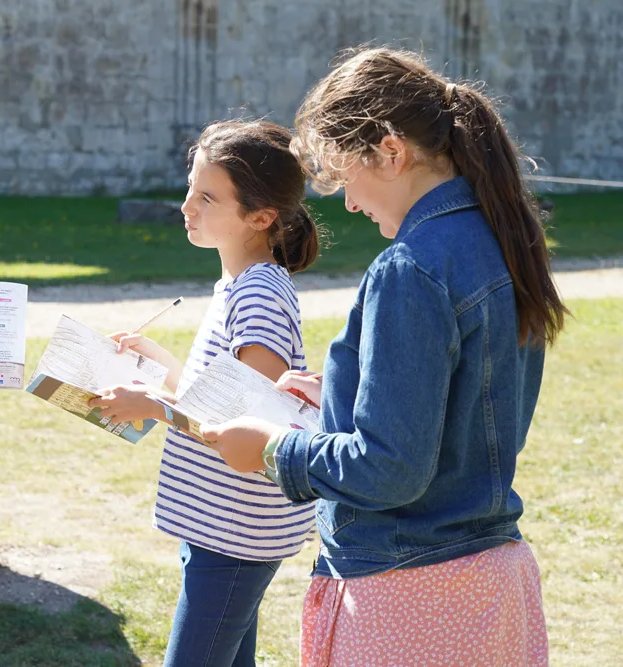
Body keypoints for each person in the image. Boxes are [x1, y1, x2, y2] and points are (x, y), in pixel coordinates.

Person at [201, 48, 564, 666]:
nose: (346, 203)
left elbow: (390, 469)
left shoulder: (412, 268)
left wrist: (270, 448)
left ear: (391, 151)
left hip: (410, 595)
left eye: (345, 176)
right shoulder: (496, 237)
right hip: (489, 583)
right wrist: (343, 393)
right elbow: (463, 404)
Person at [89, 119, 322, 666]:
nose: (186, 206)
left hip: (236, 532)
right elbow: (217, 394)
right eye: (191, 189)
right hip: (223, 524)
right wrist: (161, 365)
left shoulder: (260, 294)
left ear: (261, 217)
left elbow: (245, 417)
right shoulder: (239, 285)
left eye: (207, 197)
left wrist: (151, 406)